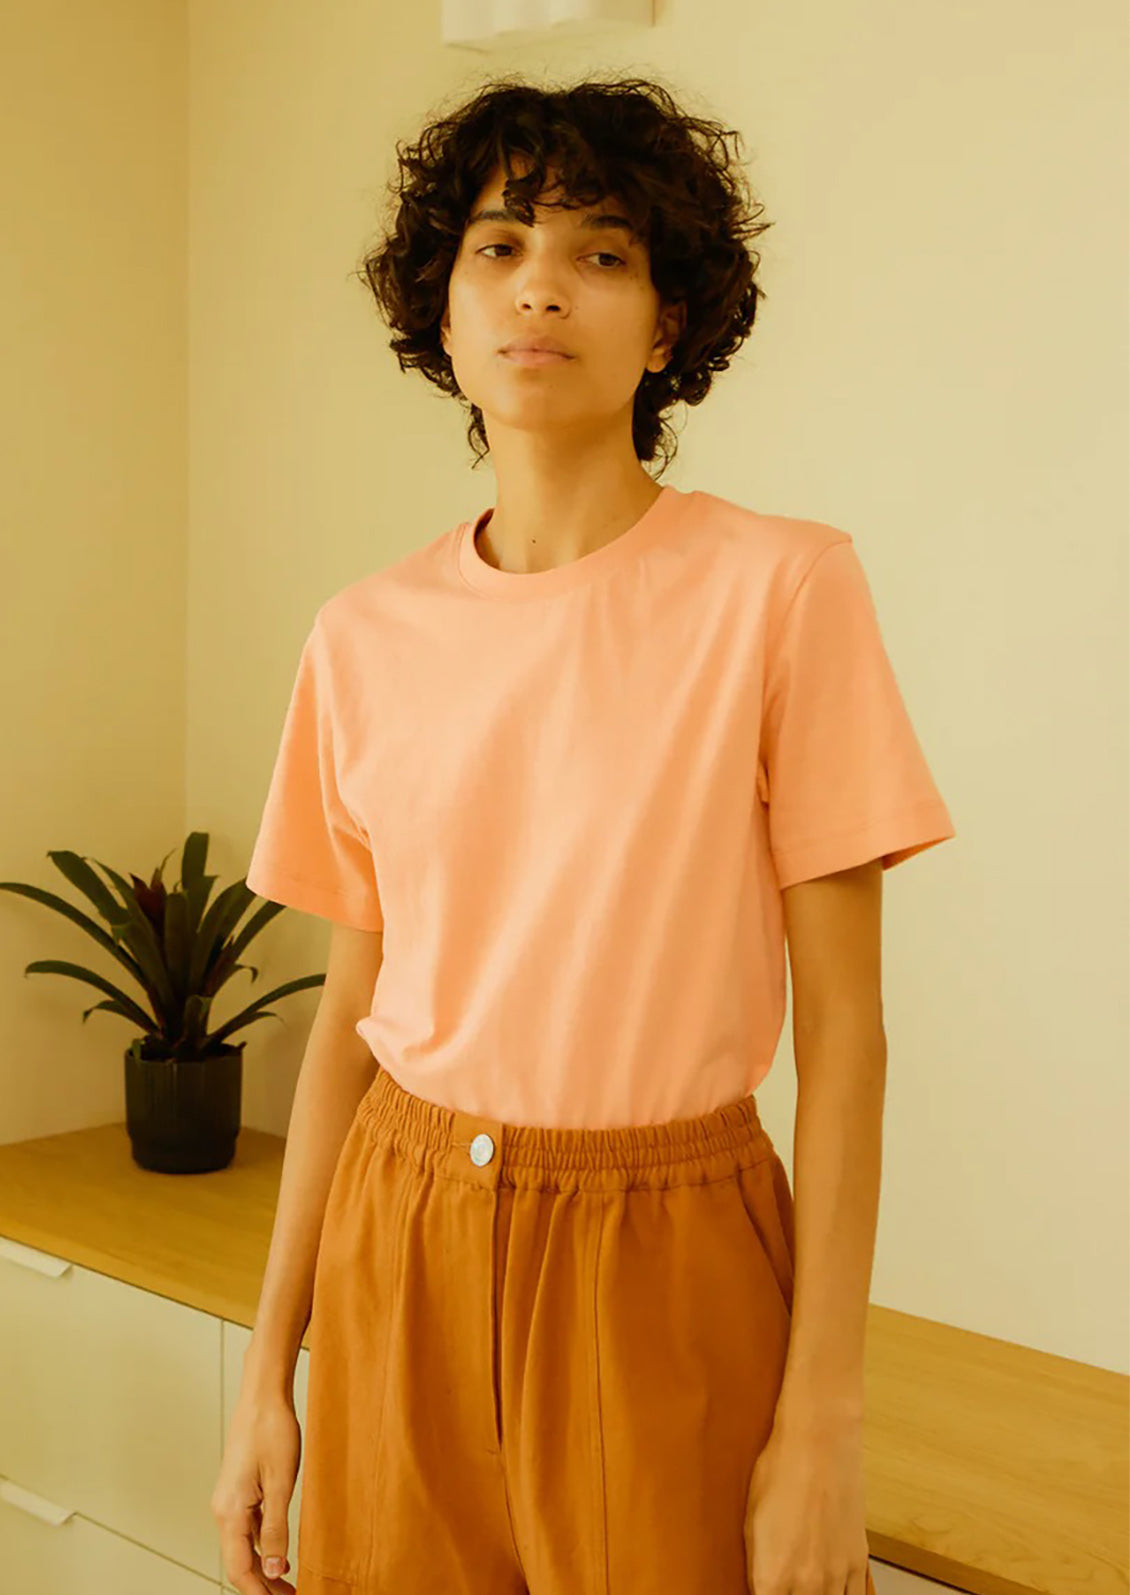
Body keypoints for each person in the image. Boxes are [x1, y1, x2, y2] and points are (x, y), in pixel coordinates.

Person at [213, 72, 956, 1595]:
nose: (539, 283)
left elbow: (848, 1038)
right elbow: (348, 1021)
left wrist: (822, 1423)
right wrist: (263, 1377)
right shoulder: (360, 636)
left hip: (666, 1254)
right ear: (440, 304)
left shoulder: (783, 591)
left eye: (602, 252)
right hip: (397, 1235)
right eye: (497, 243)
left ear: (667, 322)